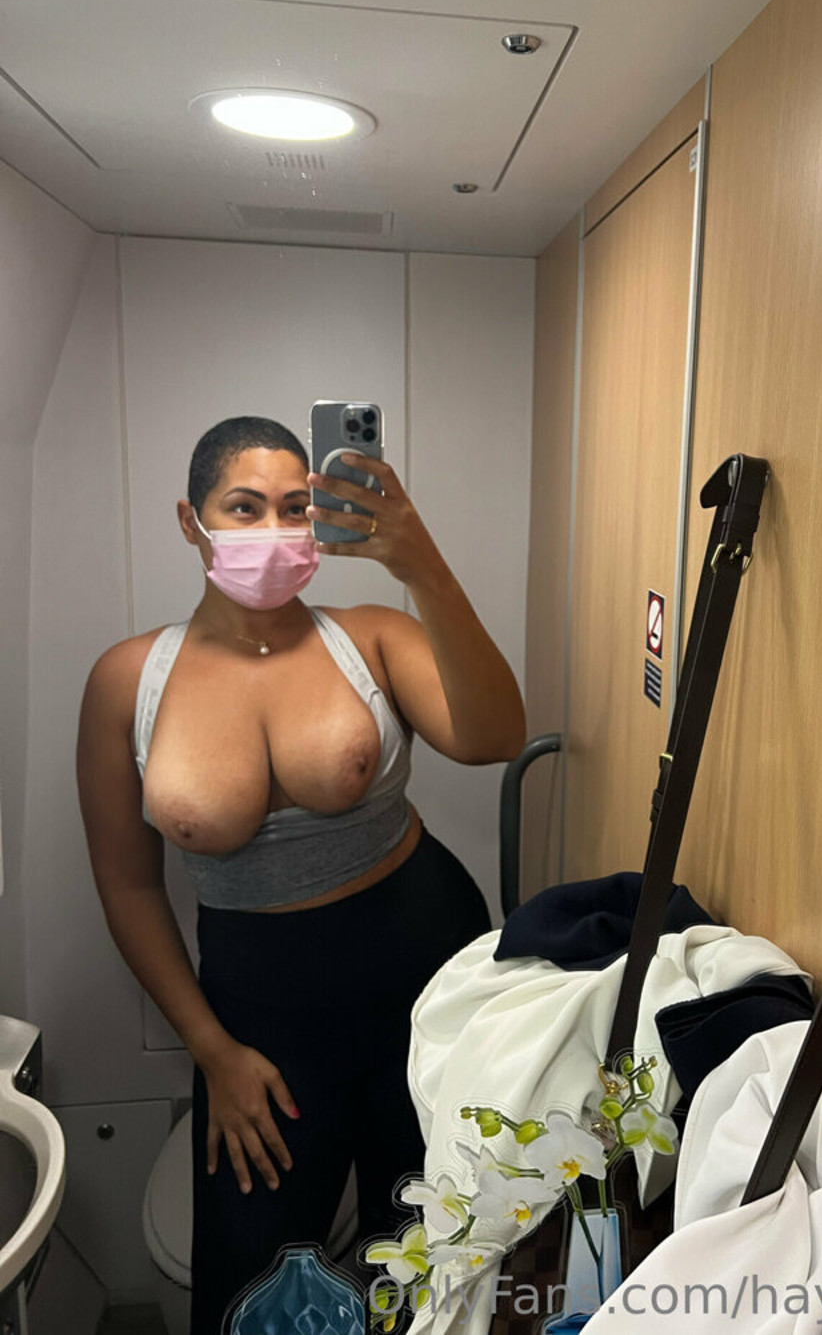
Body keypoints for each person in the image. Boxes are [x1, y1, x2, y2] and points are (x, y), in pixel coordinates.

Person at [75, 416, 526, 1332]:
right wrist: (210, 1048)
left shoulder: (373, 636)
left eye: (294, 508)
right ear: (191, 521)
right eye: (244, 507)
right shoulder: (128, 680)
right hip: (259, 1017)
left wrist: (421, 564)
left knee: (434, 1256)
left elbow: (496, 735)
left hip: (425, 977)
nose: (273, 530)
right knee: (252, 1280)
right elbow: (129, 887)